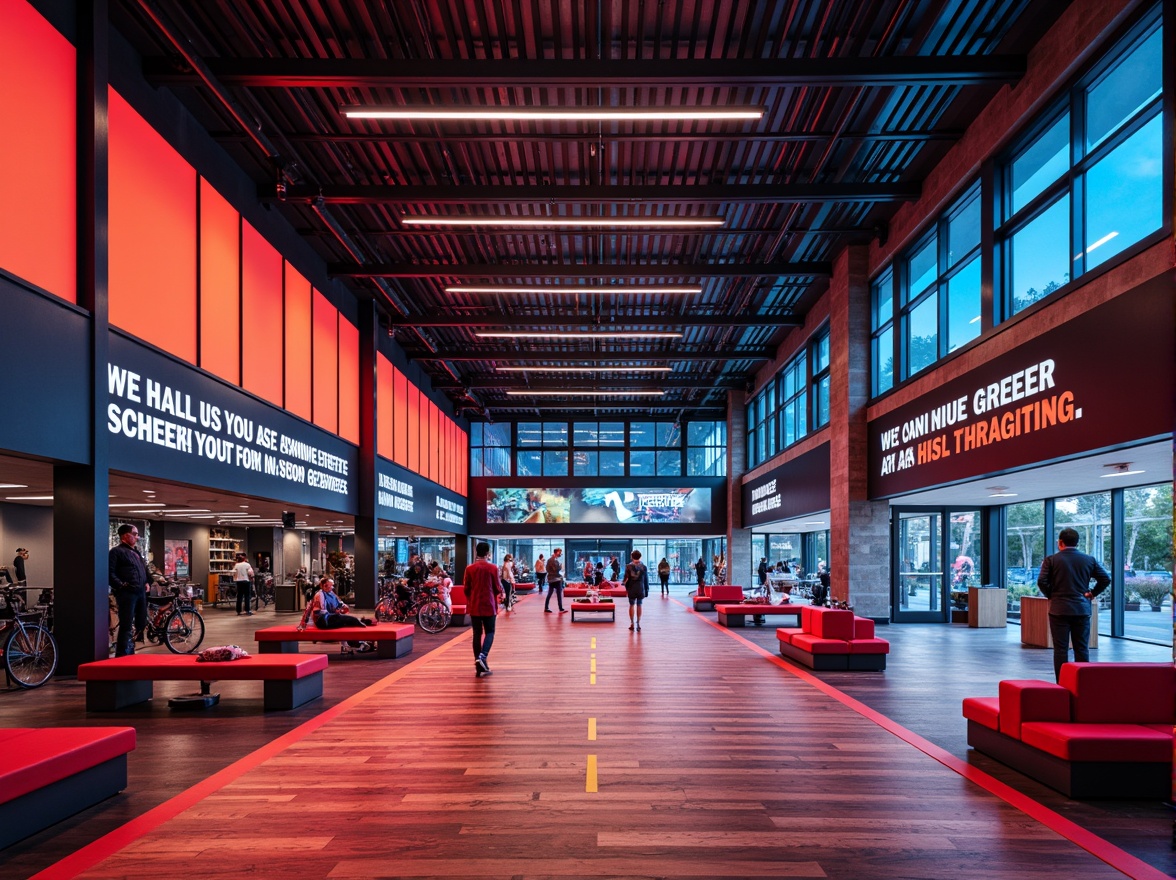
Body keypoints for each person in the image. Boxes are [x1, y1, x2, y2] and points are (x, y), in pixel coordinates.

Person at [1037, 527, 1111, 682]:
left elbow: (1042, 581)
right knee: (1082, 648)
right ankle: (1082, 683)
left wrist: (1051, 595)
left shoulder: (1051, 560)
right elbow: (1105, 579)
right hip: (1081, 609)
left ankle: (1062, 682)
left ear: (1060, 542)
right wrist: (1092, 593)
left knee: (1060, 649)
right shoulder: (1089, 560)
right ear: (1077, 543)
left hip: (1059, 609)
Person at [297, 576, 372, 652]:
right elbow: (319, 612)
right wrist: (334, 613)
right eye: (330, 585)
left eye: (332, 585)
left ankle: (355, 642)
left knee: (347, 622)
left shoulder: (331, 593)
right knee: (348, 621)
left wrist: (342, 607)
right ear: (324, 586)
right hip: (323, 621)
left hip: (330, 617)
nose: (332, 587)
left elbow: (339, 603)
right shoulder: (320, 595)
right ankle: (357, 641)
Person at [463, 542, 504, 677]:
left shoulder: (469, 568)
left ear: (476, 552)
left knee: (476, 634)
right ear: (488, 553)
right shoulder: (492, 568)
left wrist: (472, 597)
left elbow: (466, 589)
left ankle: (479, 666)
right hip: (489, 605)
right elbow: (497, 587)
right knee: (490, 632)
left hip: (475, 605)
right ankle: (482, 656)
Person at [108, 524, 148, 657]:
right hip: (127, 594)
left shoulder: (135, 552)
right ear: (126, 536)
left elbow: (143, 569)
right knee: (126, 623)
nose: (137, 537)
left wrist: (147, 581)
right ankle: (122, 654)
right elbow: (110, 573)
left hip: (140, 591)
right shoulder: (116, 552)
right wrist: (122, 586)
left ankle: (130, 649)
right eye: (135, 534)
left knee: (141, 622)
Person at [624, 550, 649, 631]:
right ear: (640, 557)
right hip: (640, 588)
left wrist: (626, 588)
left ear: (632, 556)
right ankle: (638, 623)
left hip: (631, 588)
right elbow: (646, 579)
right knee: (639, 605)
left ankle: (632, 623)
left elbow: (626, 579)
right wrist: (646, 589)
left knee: (631, 605)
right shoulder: (644, 567)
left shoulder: (628, 566)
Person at [544, 547, 566, 613]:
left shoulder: (551, 559)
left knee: (550, 593)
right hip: (555, 578)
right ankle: (560, 608)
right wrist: (560, 566)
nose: (560, 554)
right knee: (558, 594)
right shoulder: (553, 560)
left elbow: (548, 569)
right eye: (560, 552)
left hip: (551, 578)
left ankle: (546, 607)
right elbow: (556, 569)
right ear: (557, 552)